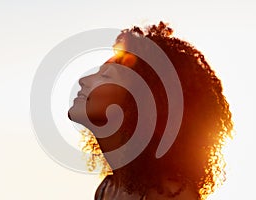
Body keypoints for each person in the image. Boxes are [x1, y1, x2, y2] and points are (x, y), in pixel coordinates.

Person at [68, 22, 233, 200]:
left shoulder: (169, 194)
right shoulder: (107, 189)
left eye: (106, 75)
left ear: (140, 103)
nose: (83, 80)